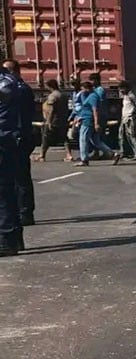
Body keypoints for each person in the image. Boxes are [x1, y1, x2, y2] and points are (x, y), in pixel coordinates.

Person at [0, 61, 35, 238]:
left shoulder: (7, 85)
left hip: (9, 138)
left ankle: (11, 232)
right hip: (14, 137)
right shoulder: (17, 85)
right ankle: (14, 233)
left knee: (12, 185)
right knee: (11, 186)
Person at [37, 78, 70, 162]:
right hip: (62, 119)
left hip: (54, 120)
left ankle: (42, 155)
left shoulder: (52, 96)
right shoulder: (63, 95)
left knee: (45, 137)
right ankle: (69, 154)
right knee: (64, 137)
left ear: (50, 86)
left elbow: (52, 110)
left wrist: (48, 121)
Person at [113, 81, 136, 164]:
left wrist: (133, 113)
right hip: (124, 118)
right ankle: (124, 152)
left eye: (122, 89)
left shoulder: (131, 95)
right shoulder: (125, 96)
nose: (121, 91)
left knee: (132, 136)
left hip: (130, 118)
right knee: (122, 136)